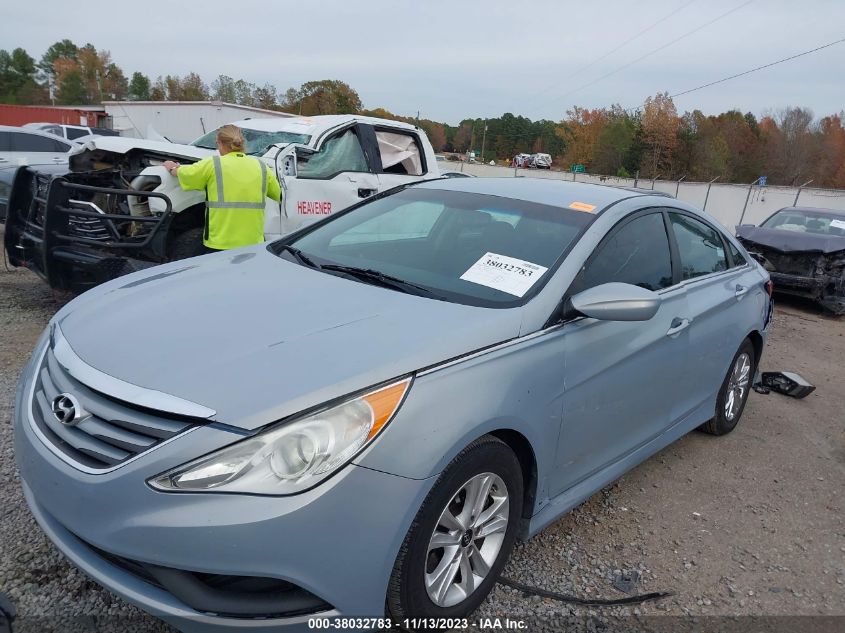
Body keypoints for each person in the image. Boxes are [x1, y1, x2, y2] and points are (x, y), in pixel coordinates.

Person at [163, 125, 281, 253]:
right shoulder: (261, 166)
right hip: (252, 241)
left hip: (221, 241)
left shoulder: (213, 164)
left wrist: (172, 167)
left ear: (219, 143)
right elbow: (277, 194)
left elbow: (185, 174)